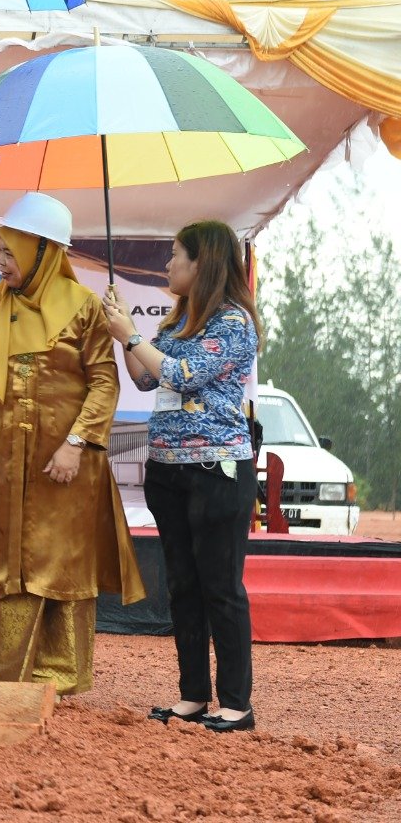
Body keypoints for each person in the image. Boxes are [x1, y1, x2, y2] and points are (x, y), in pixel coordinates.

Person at [0, 192, 145, 696]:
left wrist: (76, 443)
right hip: (4, 463)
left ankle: (63, 682)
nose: (1, 263)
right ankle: (12, 679)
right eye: (0, 252)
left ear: (43, 251)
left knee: (62, 565)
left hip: (65, 465)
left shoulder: (83, 307)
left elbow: (105, 381)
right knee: (6, 564)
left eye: (11, 252)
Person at [102, 221, 260, 732]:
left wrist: (130, 333)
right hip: (168, 469)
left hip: (217, 470)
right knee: (183, 588)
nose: (167, 265)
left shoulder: (233, 323)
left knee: (221, 588)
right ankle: (193, 695)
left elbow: (182, 375)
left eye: (175, 256)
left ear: (203, 262)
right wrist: (123, 335)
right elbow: (148, 378)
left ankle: (236, 704)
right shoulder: (176, 323)